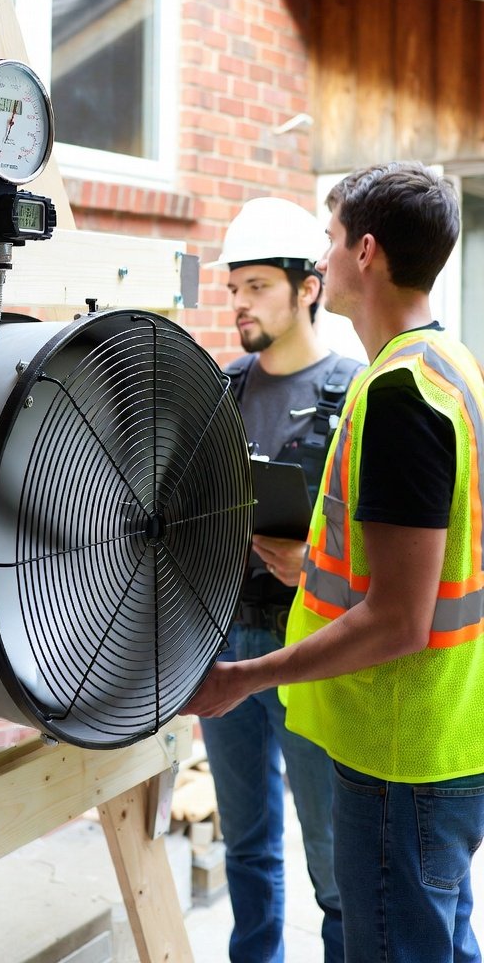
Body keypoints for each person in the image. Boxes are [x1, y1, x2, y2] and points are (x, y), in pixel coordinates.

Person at [190, 162, 484, 963]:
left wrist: (249, 677)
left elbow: (397, 618)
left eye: (328, 239)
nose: (320, 257)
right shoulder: (452, 368)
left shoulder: (395, 393)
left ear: (365, 252)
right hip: (441, 732)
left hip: (401, 745)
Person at [202, 196, 362, 963]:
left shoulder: (358, 391)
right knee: (247, 846)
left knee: (334, 867)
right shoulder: (224, 389)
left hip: (314, 648)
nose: (238, 303)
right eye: (234, 287)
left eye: (257, 286)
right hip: (224, 642)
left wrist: (316, 566)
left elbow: (392, 548)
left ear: (309, 288)